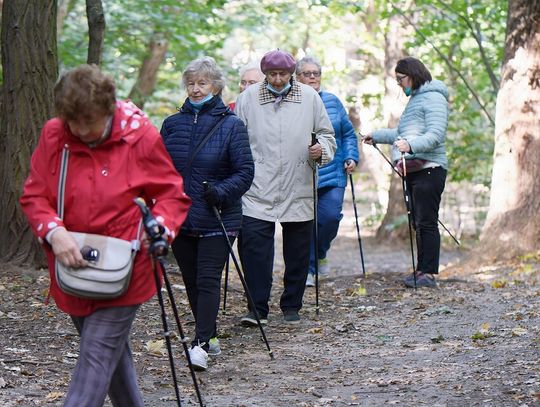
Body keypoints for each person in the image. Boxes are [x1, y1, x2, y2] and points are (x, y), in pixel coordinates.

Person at [20, 64, 191, 406]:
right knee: (110, 359)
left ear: (109, 110)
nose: (82, 130)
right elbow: (35, 195)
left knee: (96, 354)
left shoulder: (139, 136)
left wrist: (157, 226)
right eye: (74, 122)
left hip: (127, 268)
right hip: (74, 266)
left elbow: (172, 195)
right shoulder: (56, 135)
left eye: (90, 121)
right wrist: (54, 231)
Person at [160, 56, 254, 371]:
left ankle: (199, 345)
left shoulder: (232, 125)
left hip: (218, 215)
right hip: (181, 217)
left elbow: (245, 172)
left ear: (215, 86)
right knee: (191, 280)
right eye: (191, 83)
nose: (196, 89)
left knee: (208, 277)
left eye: (202, 83)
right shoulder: (172, 124)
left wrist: (221, 191)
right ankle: (210, 333)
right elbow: (160, 169)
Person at [235, 49, 336, 325]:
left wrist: (321, 150)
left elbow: (328, 135)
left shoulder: (310, 97)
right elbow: (236, 138)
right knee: (254, 249)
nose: (278, 80)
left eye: (282, 74)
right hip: (257, 185)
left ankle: (292, 304)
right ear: (264, 74)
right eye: (272, 75)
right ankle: (256, 308)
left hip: (298, 181)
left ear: (292, 73)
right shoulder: (248, 99)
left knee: (298, 250)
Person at [363, 56, 449, 288]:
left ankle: (428, 275)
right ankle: (421, 270)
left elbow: (436, 134)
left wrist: (411, 146)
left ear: (413, 74)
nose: (399, 84)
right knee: (418, 222)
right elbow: (402, 134)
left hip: (430, 168)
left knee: (427, 222)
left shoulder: (433, 98)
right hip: (415, 170)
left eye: (401, 78)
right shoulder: (417, 100)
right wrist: (377, 136)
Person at [296, 56, 360, 287]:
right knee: (304, 225)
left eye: (316, 73)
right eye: (307, 73)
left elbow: (348, 134)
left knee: (329, 218)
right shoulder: (292, 103)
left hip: (333, 173)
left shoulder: (332, 101)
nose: (313, 77)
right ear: (297, 78)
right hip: (301, 175)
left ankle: (319, 253)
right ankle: (309, 269)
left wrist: (352, 156)